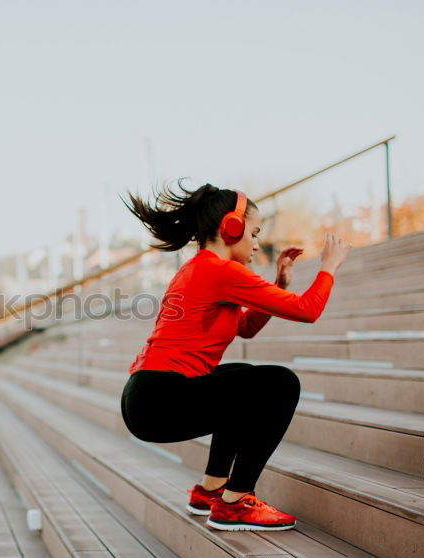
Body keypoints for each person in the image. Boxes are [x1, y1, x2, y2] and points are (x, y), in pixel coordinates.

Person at [119, 182, 352, 531]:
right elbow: (308, 310)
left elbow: (244, 327)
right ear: (232, 227)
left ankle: (211, 491)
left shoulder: (199, 268)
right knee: (280, 383)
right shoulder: (221, 271)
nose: (257, 244)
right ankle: (236, 502)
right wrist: (329, 267)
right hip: (161, 398)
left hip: (147, 397)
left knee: (240, 375)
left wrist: (281, 285)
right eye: (254, 233)